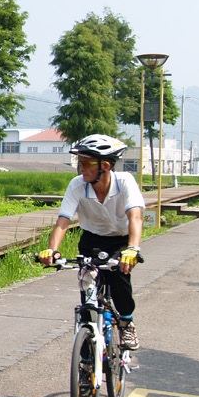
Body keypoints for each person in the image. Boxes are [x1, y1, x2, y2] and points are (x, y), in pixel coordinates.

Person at [38, 134, 145, 351]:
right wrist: (52, 250)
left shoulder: (125, 181)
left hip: (120, 241)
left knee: (120, 281)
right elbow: (63, 221)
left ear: (105, 166)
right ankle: (86, 359)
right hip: (91, 240)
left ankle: (126, 323)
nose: (81, 168)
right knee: (87, 292)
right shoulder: (77, 185)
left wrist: (132, 249)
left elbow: (135, 216)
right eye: (79, 163)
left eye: (86, 163)